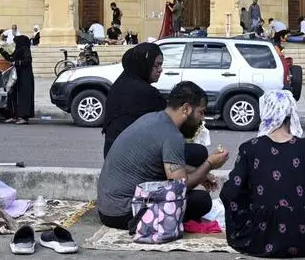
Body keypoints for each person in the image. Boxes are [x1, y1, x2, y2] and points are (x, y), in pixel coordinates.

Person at [221, 91, 305, 257]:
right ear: (290, 113)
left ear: (265, 112)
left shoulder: (249, 148)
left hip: (260, 237)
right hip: (304, 236)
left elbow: (232, 192)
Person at [97, 82, 228, 230]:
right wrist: (209, 163)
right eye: (201, 112)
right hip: (124, 214)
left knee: (197, 155)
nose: (202, 119)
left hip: (106, 209)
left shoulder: (153, 118)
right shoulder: (172, 135)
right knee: (201, 200)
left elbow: (168, 163)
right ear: (186, 109)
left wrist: (202, 175)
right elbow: (180, 186)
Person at [103, 43, 166, 156]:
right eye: (156, 65)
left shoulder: (120, 84)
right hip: (130, 158)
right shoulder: (145, 92)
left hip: (111, 153)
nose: (160, 70)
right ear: (144, 64)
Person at [0, 31, 34, 124]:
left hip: (25, 77)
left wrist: (17, 63)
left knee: (23, 97)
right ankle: (14, 115)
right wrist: (2, 51)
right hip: (16, 76)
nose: (15, 44)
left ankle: (23, 117)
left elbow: (28, 60)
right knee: (13, 95)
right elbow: (11, 58)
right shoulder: (18, 49)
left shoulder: (25, 49)